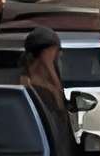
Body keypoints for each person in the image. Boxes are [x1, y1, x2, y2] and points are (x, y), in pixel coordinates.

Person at [19, 27, 73, 156]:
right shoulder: (28, 82)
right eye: (57, 50)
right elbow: (60, 116)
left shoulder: (43, 81)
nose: (60, 54)